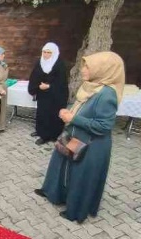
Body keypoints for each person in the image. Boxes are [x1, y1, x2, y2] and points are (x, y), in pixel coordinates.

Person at [34, 52, 125, 223]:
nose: (83, 70)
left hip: (92, 144)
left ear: (103, 70)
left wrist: (73, 118)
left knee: (81, 176)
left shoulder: (107, 94)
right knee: (59, 163)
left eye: (87, 67)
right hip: (75, 135)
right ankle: (52, 192)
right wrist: (69, 113)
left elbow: (104, 126)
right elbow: (83, 109)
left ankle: (75, 211)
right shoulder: (91, 86)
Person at [28, 42, 68, 145]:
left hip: (54, 96)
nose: (45, 54)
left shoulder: (59, 64)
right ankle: (40, 131)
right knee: (41, 113)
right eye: (44, 52)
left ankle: (48, 136)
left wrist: (49, 86)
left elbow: (62, 82)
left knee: (51, 115)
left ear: (53, 53)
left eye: (48, 52)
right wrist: (37, 87)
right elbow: (34, 76)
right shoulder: (39, 62)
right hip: (43, 95)